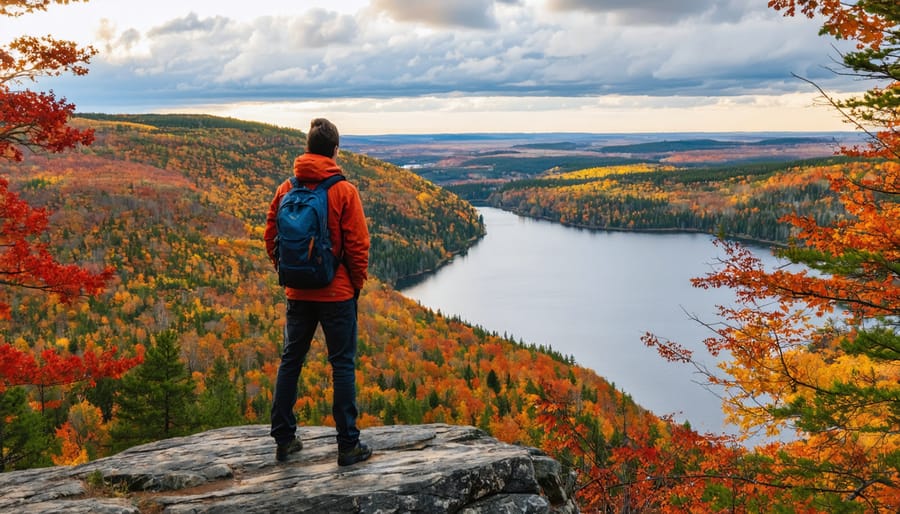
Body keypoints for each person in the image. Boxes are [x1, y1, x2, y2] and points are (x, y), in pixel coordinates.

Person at [265, 118, 372, 466]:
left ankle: (284, 439)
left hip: (297, 293)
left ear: (308, 149)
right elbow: (358, 246)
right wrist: (355, 284)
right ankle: (348, 446)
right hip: (337, 293)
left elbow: (271, 237)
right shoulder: (344, 191)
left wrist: (289, 273)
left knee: (290, 361)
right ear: (335, 151)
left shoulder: (285, 188)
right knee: (341, 364)